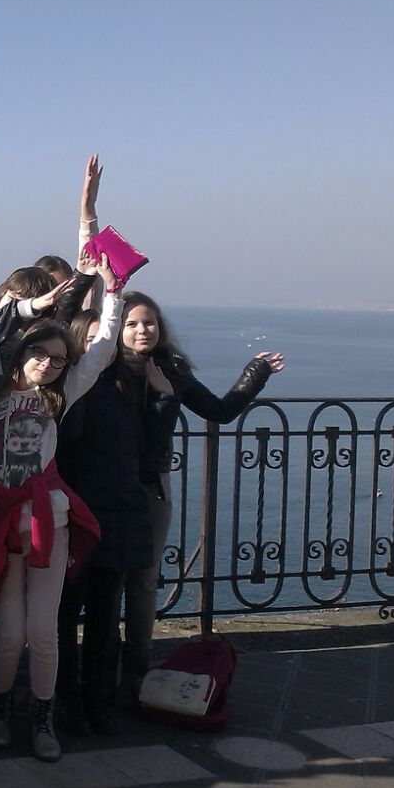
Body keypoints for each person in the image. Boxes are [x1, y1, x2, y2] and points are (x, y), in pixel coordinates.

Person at [0, 249, 125, 763]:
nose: (48, 365)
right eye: (40, 355)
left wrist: (113, 292)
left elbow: (101, 350)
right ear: (21, 352)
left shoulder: (60, 396)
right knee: (9, 634)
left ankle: (41, 717)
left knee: (43, 633)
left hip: (49, 520)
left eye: (57, 359)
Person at [117, 291, 284, 694]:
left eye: (150, 322)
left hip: (152, 487)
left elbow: (219, 411)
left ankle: (136, 670)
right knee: (106, 585)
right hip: (109, 486)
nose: (143, 330)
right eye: (132, 323)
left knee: (143, 582)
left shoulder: (170, 368)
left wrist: (255, 372)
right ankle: (100, 674)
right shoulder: (104, 370)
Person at [54, 308, 179, 736]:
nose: (101, 348)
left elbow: (148, 450)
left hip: (118, 512)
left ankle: (96, 699)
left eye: (103, 340)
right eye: (91, 340)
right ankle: (66, 699)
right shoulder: (69, 389)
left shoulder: (125, 386)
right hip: (77, 514)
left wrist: (163, 400)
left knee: (105, 616)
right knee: (65, 614)